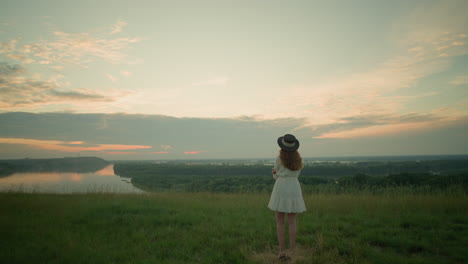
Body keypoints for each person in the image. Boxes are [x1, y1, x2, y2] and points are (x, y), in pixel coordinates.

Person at [268, 134, 306, 260]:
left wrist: (274, 173)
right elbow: (297, 174)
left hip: (281, 187)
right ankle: (293, 251)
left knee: (280, 221)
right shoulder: (299, 160)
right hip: (294, 187)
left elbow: (276, 175)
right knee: (292, 222)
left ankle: (282, 251)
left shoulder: (279, 158)